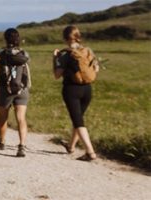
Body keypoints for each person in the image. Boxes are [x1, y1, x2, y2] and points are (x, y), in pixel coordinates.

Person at [53, 25, 99, 161]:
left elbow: (57, 75)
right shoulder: (88, 51)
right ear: (78, 36)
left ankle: (90, 152)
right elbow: (96, 69)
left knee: (78, 122)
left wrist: (54, 59)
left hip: (71, 89)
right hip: (87, 89)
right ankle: (71, 146)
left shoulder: (65, 54)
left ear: (65, 38)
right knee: (78, 118)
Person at [0, 28, 31, 157]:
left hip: (4, 89)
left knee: (3, 117)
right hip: (22, 89)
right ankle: (22, 146)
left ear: (5, 39)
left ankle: (2, 142)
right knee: (21, 118)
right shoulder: (24, 53)